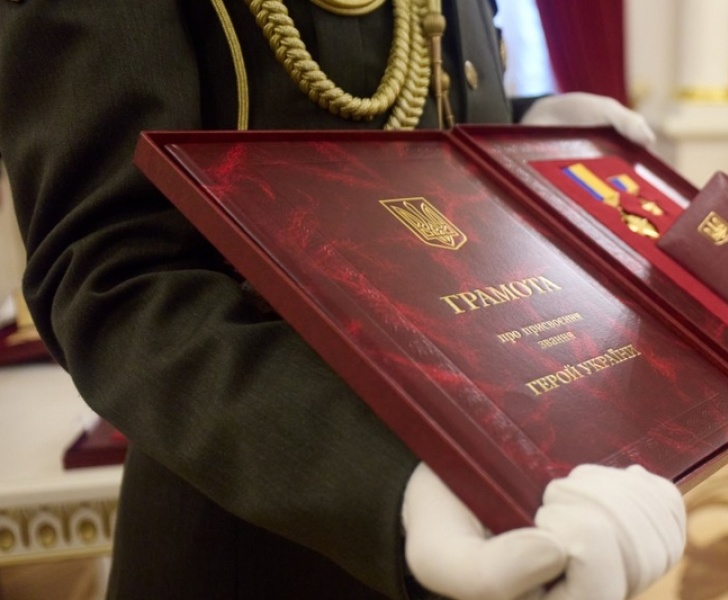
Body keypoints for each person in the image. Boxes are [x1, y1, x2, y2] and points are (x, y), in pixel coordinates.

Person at [0, 2, 684, 599]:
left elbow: (427, 96)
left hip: (501, 424)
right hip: (273, 530)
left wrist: (524, 123)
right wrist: (391, 478)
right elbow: (114, 275)